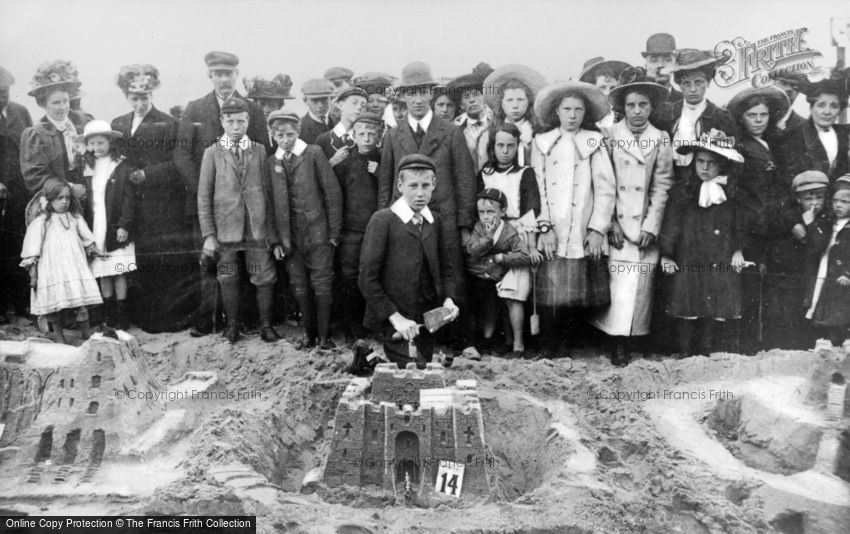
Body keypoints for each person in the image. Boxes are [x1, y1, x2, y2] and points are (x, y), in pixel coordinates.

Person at [173, 51, 270, 337]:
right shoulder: (194, 109)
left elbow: (264, 152)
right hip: (210, 204)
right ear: (210, 76)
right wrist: (209, 189)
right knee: (211, 263)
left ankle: (246, 320)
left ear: (236, 75)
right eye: (218, 74)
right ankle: (207, 320)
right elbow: (181, 155)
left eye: (229, 73)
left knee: (252, 263)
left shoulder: (252, 109)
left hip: (249, 208)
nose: (224, 79)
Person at [590, 67, 674, 366]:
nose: (637, 111)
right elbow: (603, 183)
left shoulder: (661, 138)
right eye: (631, 105)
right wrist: (609, 222)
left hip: (644, 227)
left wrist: (652, 225)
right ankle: (616, 342)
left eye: (643, 105)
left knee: (640, 287)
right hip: (618, 224)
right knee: (619, 288)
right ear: (622, 108)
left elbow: (662, 185)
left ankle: (636, 339)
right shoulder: (609, 136)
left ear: (652, 107)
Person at [531, 81, 616, 358]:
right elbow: (538, 188)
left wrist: (597, 228)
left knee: (576, 290)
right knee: (552, 289)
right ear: (556, 111)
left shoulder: (593, 140)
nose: (572, 115)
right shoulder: (543, 142)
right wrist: (544, 226)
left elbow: (605, 188)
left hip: (581, 224)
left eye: (578, 109)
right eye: (567, 109)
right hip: (553, 224)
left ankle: (571, 344)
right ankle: (548, 347)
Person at [110, 64, 191, 333]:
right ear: (126, 97)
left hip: (162, 204)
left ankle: (166, 319)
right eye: (135, 98)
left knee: (162, 261)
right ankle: (141, 316)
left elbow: (177, 165)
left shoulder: (168, 123)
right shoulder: (118, 124)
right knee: (137, 259)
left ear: (152, 96)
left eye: (145, 97)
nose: (140, 103)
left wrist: (147, 174)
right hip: (131, 203)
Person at [359, 154, 460, 368]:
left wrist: (449, 300)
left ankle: (367, 360)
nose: (420, 193)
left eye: (426, 185)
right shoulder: (383, 220)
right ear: (400, 185)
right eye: (413, 186)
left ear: (434, 184)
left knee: (421, 370)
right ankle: (367, 359)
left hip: (423, 323)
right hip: (394, 321)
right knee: (416, 376)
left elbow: (447, 269)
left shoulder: (435, 221)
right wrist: (395, 318)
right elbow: (367, 280)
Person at [197, 97, 281, 344]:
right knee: (228, 274)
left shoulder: (259, 150)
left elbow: (267, 191)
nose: (236, 126)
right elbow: (204, 197)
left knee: (262, 274)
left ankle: (266, 326)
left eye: (241, 121)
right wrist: (209, 236)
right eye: (231, 121)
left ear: (248, 121)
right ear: (222, 121)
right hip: (226, 229)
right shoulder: (211, 153)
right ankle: (232, 326)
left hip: (255, 228)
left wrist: (270, 232)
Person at [659, 131, 747, 356]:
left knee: (715, 303)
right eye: (700, 161)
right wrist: (667, 254)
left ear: (722, 166)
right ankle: (685, 352)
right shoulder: (683, 192)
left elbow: (739, 224)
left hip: (719, 256)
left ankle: (707, 353)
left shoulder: (731, 194)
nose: (705, 168)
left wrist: (738, 249)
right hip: (690, 256)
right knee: (688, 302)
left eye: (711, 163)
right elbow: (671, 222)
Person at [266, 110, 342, 350]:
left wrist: (334, 232)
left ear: (298, 132)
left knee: (322, 283)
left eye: (290, 134)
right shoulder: (272, 162)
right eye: (280, 135)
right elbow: (268, 204)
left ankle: (324, 336)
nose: (285, 139)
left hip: (318, 233)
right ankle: (308, 335)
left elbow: (332, 193)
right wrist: (276, 241)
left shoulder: (313, 153)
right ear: (273, 135)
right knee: (299, 285)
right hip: (290, 238)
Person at [725, 86, 791, 352]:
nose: (759, 120)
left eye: (763, 114)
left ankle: (762, 341)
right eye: (752, 115)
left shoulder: (771, 144)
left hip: (769, 225)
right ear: (742, 118)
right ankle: (745, 344)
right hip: (749, 225)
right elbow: (736, 193)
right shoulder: (740, 149)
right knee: (748, 287)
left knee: (766, 286)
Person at [478, 123, 541, 356]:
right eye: (500, 145)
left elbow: (530, 211)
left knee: (514, 293)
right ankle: (494, 339)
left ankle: (518, 344)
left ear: (517, 147)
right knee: (491, 290)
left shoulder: (525, 173)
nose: (505, 151)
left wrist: (532, 247)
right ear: (492, 147)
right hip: (490, 233)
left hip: (517, 233)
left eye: (510, 146)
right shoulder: (485, 173)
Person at [19, 178, 103, 343]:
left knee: (81, 303)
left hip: (74, 266)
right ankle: (58, 338)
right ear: (49, 199)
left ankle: (86, 334)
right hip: (52, 269)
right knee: (54, 307)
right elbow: (32, 248)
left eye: (67, 198)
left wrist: (93, 249)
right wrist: (33, 271)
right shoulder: (42, 221)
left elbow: (87, 238)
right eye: (59, 198)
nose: (64, 202)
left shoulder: (74, 218)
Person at [761, 171, 831, 349]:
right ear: (798, 199)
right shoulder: (789, 211)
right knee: (776, 313)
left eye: (819, 197)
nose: (814, 203)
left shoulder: (824, 218)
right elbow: (774, 217)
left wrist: (809, 224)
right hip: (780, 272)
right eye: (809, 198)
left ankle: (796, 352)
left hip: (804, 275)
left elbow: (817, 246)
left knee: (798, 315)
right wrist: (794, 224)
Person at [80, 120, 137, 330]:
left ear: (110, 142)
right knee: (103, 271)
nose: (96, 148)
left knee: (118, 270)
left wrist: (124, 224)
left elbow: (128, 199)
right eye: (92, 143)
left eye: (101, 143)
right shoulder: (86, 167)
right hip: (95, 225)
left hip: (114, 224)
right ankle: (109, 314)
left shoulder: (121, 166)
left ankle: (122, 315)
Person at [332, 112, 382, 341]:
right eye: (361, 133)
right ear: (353, 135)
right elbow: (335, 194)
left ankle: (372, 324)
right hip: (351, 231)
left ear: (379, 136)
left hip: (376, 230)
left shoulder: (383, 160)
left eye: (372, 133)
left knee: (373, 276)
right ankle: (352, 328)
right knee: (349, 278)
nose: (367, 138)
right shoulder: (345, 161)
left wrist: (379, 173)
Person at [465, 188, 532, 357]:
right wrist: (488, 236)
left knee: (497, 306)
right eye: (482, 212)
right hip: (475, 276)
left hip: (494, 279)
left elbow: (524, 255)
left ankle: (499, 341)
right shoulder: (479, 228)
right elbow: (473, 250)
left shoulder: (509, 232)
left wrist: (502, 257)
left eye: (490, 211)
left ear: (502, 211)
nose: (486, 216)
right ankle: (477, 342)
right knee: (472, 307)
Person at [653, 49, 738, 175]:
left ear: (708, 82)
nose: (692, 89)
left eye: (698, 82)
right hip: (672, 177)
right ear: (679, 84)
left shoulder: (720, 116)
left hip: (704, 180)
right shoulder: (666, 113)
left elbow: (732, 153)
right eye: (686, 83)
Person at [20, 60, 89, 196]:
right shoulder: (36, 134)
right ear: (42, 104)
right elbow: (35, 177)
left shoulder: (83, 122)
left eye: (65, 101)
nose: (63, 107)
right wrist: (70, 188)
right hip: (58, 199)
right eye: (56, 103)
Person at [0, 66, 33, 321]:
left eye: (5, 92)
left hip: (19, 193)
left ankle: (22, 304)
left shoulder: (20, 113)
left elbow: (31, 148)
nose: (2, 97)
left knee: (20, 245)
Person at [805, 175, 850, 344]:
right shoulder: (830, 222)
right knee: (827, 304)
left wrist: (848, 272)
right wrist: (812, 225)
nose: (838, 205)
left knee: (843, 308)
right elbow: (818, 244)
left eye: (845, 202)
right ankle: (829, 340)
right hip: (827, 269)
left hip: (843, 275)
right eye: (835, 201)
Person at [780, 75, 849, 183]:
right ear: (811, 107)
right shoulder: (793, 138)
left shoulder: (845, 134)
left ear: (840, 110)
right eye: (821, 105)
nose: (827, 112)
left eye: (834, 106)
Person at [483, 64, 546, 167]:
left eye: (520, 100)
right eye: (509, 100)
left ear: (529, 102)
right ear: (501, 104)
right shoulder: (491, 131)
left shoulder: (537, 130)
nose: (515, 106)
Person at [449, 62, 495, 173]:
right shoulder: (455, 127)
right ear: (461, 105)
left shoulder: (495, 121)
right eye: (466, 97)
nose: (472, 100)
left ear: (483, 98)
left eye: (476, 94)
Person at [315, 87, 367, 168]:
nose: (359, 108)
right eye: (354, 103)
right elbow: (314, 174)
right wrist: (332, 162)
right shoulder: (323, 140)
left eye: (363, 105)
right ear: (340, 105)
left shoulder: (366, 141)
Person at [243, 73, 295, 150]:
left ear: (280, 106)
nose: (266, 110)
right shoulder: (246, 129)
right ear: (254, 105)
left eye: (272, 105)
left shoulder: (290, 130)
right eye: (262, 104)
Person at [577, 57, 631, 132]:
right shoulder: (583, 119)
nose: (607, 93)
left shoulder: (626, 119)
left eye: (612, 88)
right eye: (602, 87)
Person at [641, 33, 682, 103]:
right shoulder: (636, 101)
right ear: (646, 65)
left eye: (667, 59)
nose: (660, 65)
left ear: (675, 65)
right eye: (654, 60)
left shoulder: (684, 101)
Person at [768, 70, 807, 136]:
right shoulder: (753, 117)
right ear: (771, 84)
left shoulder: (806, 127)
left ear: (798, 93)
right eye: (783, 83)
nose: (789, 89)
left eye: (795, 87)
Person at [299, 78, 336, 145]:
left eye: (324, 100)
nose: (320, 105)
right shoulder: (299, 128)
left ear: (331, 99)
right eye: (315, 100)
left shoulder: (338, 122)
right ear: (305, 101)